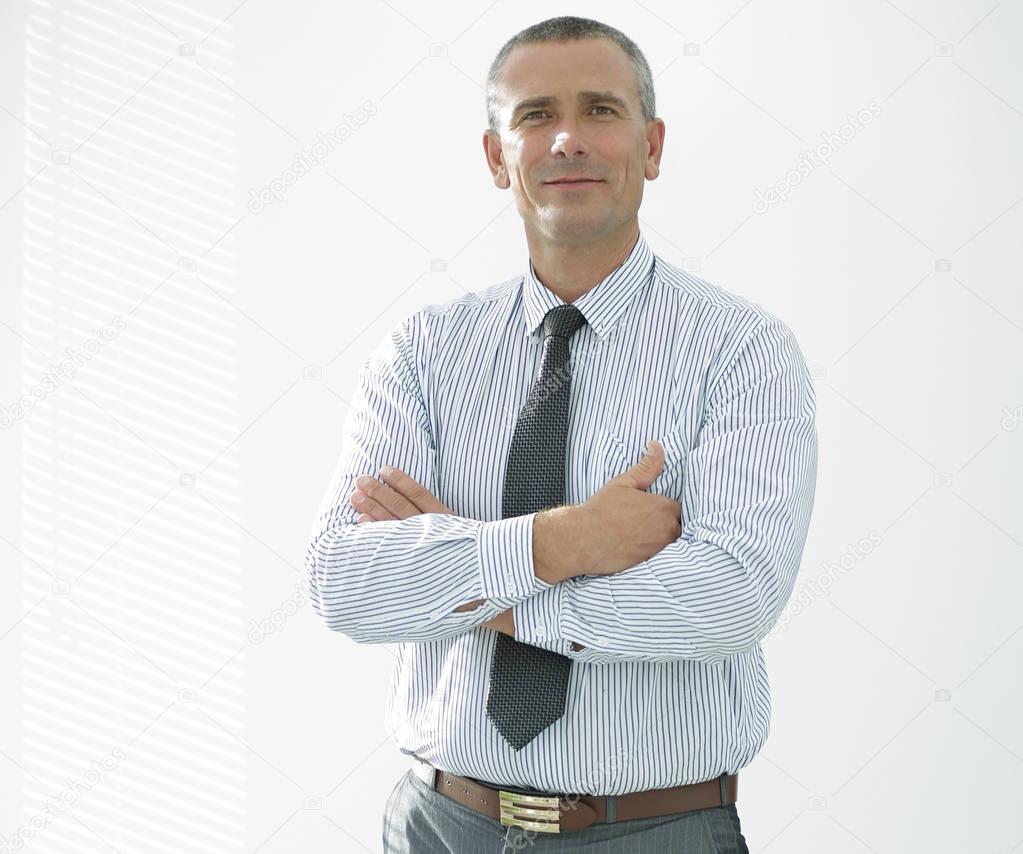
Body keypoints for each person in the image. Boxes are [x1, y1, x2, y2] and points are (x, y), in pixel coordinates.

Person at [305, 15, 817, 853]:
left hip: (655, 831)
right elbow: (344, 583)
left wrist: (466, 581)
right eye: (536, 114)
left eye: (601, 111)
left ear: (651, 146)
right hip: (441, 825)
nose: (568, 138)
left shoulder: (742, 352)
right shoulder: (423, 353)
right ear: (495, 156)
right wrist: (566, 539)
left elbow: (728, 599)